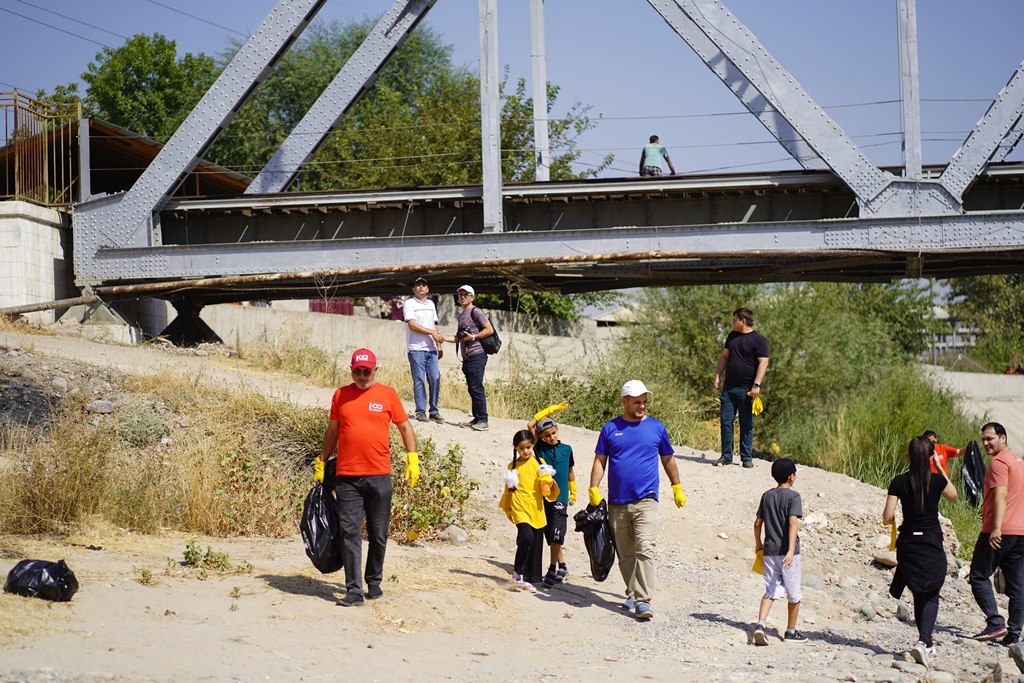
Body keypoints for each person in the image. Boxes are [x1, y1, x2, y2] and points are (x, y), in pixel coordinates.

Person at [313, 348, 420, 607]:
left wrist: (412, 458)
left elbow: (405, 426)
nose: (361, 376)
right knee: (349, 532)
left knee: (378, 533)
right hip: (347, 478)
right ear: (351, 370)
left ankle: (373, 581)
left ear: (375, 370)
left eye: (366, 371)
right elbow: (333, 430)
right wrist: (322, 460)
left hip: (379, 476)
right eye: (357, 371)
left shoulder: (388, 395)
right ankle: (353, 590)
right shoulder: (341, 395)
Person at [588, 380, 687, 620]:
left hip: (647, 500)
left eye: (644, 401)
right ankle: (632, 591)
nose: (642, 406)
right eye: (636, 402)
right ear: (624, 401)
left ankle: (643, 601)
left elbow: (668, 459)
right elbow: (600, 460)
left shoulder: (656, 428)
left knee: (645, 548)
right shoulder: (610, 429)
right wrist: (593, 488)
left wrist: (677, 486)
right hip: (617, 502)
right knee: (625, 553)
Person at [882, 437, 958, 667]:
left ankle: (926, 642)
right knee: (932, 591)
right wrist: (939, 465)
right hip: (931, 542)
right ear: (929, 457)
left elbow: (886, 517)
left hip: (908, 543)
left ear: (909, 457)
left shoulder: (899, 482)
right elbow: (954, 496)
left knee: (918, 590)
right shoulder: (936, 480)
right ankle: (924, 641)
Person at [970, 422, 1024, 644]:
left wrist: (996, 528)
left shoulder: (999, 462)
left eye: (990, 438)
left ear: (1003, 438)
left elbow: (1000, 494)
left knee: (979, 575)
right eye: (983, 439)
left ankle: (995, 623)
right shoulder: (1019, 461)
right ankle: (1014, 634)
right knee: (1017, 584)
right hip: (1020, 531)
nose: (985, 443)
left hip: (1000, 530)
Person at [752, 458, 806, 646]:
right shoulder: (793, 497)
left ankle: (760, 624)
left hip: (769, 551)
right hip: (788, 553)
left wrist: (758, 544)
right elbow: (793, 522)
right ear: (791, 477)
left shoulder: (767, 495)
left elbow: (758, 523)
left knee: (771, 589)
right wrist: (791, 551)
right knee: (794, 593)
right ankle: (791, 631)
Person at [498, 429, 560, 593]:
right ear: (516, 448)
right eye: (521, 448)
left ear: (533, 446)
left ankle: (530, 577)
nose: (525, 451)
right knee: (526, 536)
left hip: (536, 508)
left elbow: (547, 489)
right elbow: (508, 489)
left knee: (535, 542)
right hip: (520, 507)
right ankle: (517, 573)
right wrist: (508, 506)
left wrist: (547, 482)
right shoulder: (512, 466)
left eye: (528, 448)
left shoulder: (539, 463)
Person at [714, 307, 769, 469]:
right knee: (726, 422)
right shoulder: (732, 336)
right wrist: (718, 375)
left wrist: (756, 385)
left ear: (742, 321)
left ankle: (746, 458)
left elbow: (763, 362)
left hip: (747, 390)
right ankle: (726, 456)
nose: (732, 322)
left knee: (746, 424)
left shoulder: (759, 340)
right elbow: (724, 356)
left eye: (734, 319)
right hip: (729, 388)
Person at [528, 401, 576, 586]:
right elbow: (530, 425)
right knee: (551, 535)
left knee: (557, 533)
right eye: (547, 435)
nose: (551, 437)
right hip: (544, 497)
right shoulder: (539, 449)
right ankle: (562, 565)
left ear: (557, 429)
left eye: (554, 433)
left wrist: (573, 491)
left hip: (561, 498)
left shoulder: (567, 449)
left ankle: (551, 569)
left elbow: (570, 471)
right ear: (540, 437)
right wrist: (549, 410)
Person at [440, 285, 495, 431]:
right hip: (468, 357)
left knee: (477, 388)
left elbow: (489, 329)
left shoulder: (476, 312)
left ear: (472, 297)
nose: (462, 296)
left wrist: (475, 337)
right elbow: (459, 338)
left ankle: (483, 420)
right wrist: (442, 338)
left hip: (477, 355)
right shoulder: (461, 315)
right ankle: (477, 418)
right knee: (472, 388)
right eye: (460, 294)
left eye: (465, 294)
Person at [402, 276, 444, 423]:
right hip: (416, 348)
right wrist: (431, 332)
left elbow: (434, 325)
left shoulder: (431, 304)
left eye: (423, 285)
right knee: (419, 379)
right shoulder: (409, 303)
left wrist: (438, 344)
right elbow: (412, 325)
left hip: (431, 348)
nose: (421, 287)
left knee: (435, 379)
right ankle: (420, 411)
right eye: (417, 285)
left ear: (427, 289)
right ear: (413, 289)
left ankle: (434, 411)